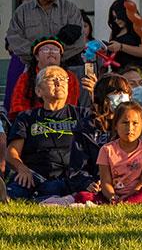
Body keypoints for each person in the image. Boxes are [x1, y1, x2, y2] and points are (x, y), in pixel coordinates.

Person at [4, 66, 93, 201]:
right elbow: (12, 153)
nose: (59, 82)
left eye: (63, 79)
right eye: (52, 78)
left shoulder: (83, 114)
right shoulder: (26, 117)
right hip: (36, 176)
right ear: (38, 91)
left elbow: (108, 124)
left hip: (75, 176)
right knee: (15, 192)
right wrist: (22, 169)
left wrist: (96, 96)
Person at [75, 101, 142, 205]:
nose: (130, 128)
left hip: (136, 193)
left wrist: (128, 196)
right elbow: (106, 182)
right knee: (82, 196)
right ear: (115, 125)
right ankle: (124, 203)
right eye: (125, 123)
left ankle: (128, 202)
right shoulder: (106, 149)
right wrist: (112, 196)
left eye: (135, 123)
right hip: (111, 195)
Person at [5, 0, 86, 67]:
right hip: (34, 71)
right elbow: (14, 40)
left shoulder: (70, 9)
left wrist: (55, 58)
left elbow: (80, 42)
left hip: (68, 68)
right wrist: (39, 57)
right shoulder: (22, 12)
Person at [7, 36, 82, 115]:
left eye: (55, 50)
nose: (51, 52)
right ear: (37, 56)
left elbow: (71, 104)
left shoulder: (70, 77)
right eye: (46, 49)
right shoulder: (25, 78)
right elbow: (17, 106)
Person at [105, 0, 142, 77]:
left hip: (138, 74)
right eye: (114, 18)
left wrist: (121, 47)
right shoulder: (116, 30)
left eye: (119, 17)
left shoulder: (140, 27)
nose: (116, 21)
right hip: (119, 74)